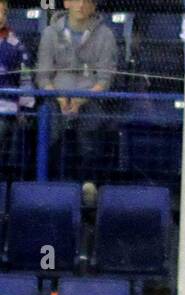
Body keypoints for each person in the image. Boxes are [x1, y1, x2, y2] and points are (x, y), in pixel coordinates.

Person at [36, 0, 118, 180]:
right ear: (66, 3)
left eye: (87, 1)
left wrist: (82, 99)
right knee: (49, 128)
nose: (81, 5)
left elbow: (105, 80)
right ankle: (47, 184)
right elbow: (43, 76)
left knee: (92, 133)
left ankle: (89, 186)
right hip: (55, 98)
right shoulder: (50, 34)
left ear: (94, 6)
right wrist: (60, 97)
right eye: (76, 0)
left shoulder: (106, 36)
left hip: (91, 99)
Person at [0, 1, 31, 176]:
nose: (0, 17)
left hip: (4, 108)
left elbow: (25, 78)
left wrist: (24, 108)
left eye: (3, 13)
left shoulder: (15, 44)